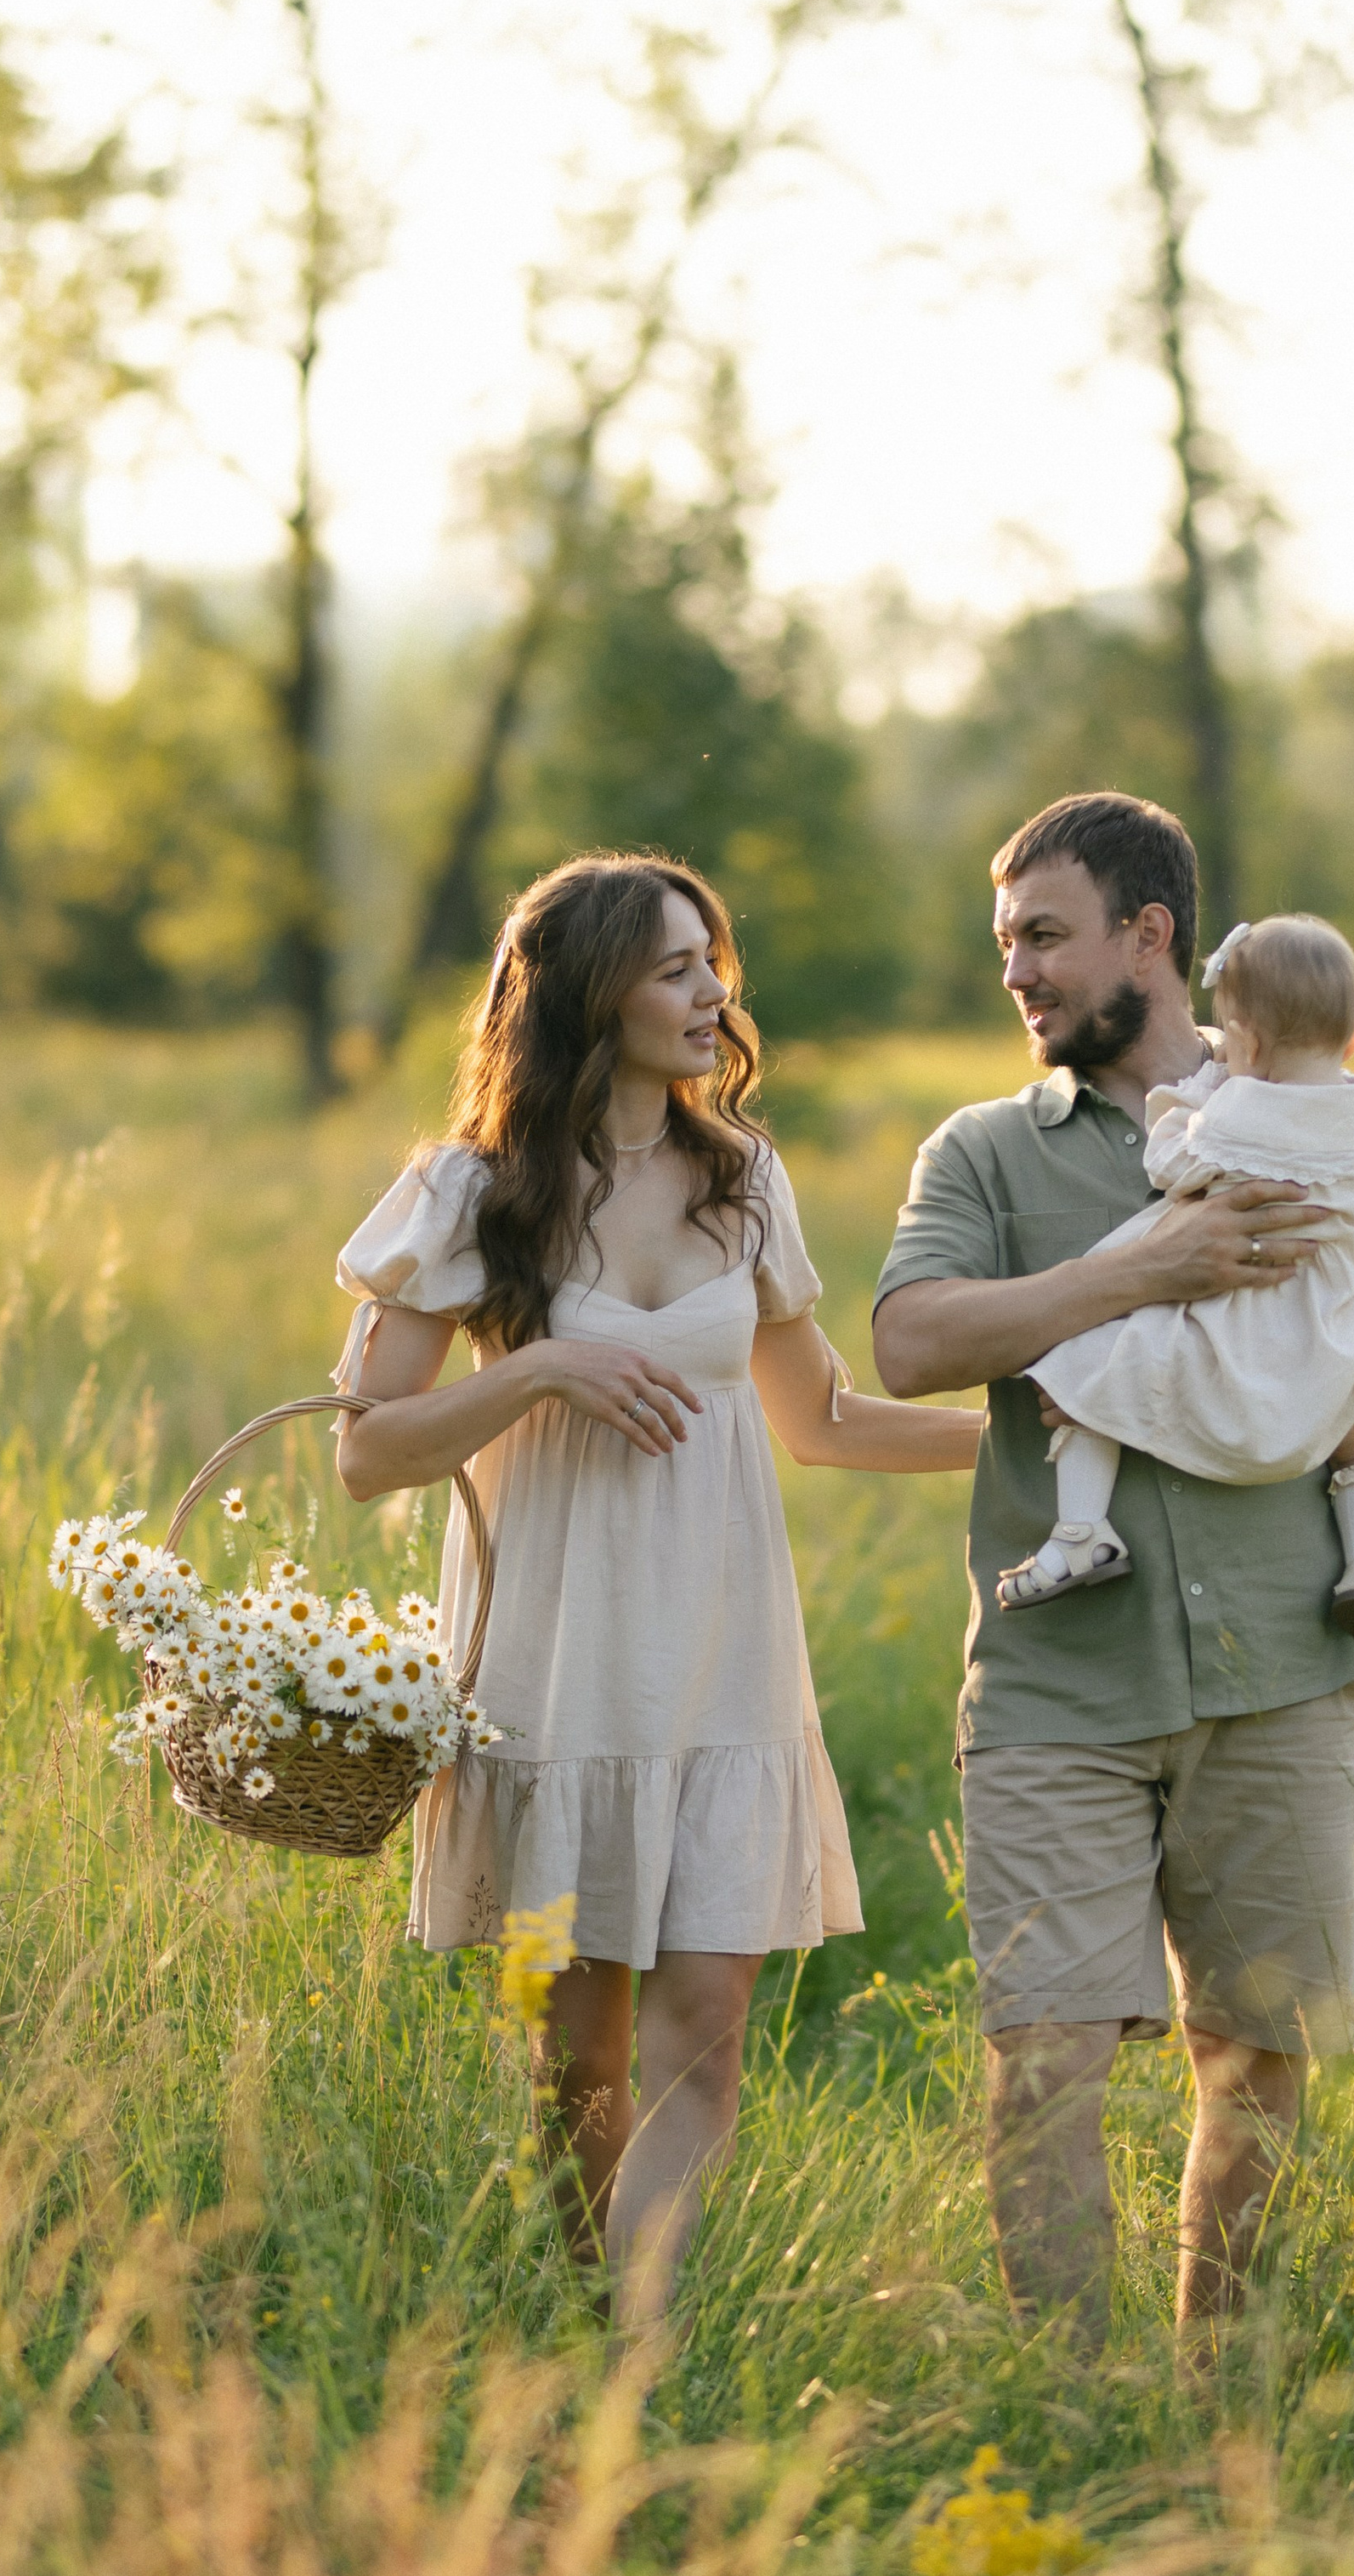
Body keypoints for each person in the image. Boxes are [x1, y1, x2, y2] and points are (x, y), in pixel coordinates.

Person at [333, 853, 982, 2335]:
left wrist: (1032, 1437)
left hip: (720, 1647)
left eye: (715, 963)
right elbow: (365, 1456)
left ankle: (642, 2349)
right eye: (676, 966)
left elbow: (821, 1420)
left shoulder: (744, 1180)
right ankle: (582, 2332)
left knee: (708, 2025)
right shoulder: (468, 1191)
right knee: (581, 2066)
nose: (713, 994)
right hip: (558, 1660)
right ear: (588, 992)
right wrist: (547, 1364)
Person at [870, 793, 1354, 2368]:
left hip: (1287, 1669)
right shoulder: (987, 1153)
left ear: (1152, 935)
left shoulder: (1325, 1112)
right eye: (1006, 944)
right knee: (1042, 2061)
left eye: (1046, 936)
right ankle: (1073, 2413)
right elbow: (916, 1343)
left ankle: (1212, 2404)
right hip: (1063, 1684)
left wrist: (1218, 1355)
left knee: (1254, 2060)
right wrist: (1145, 1276)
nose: (1018, 972)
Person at [998, 910, 1354, 1682]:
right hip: (1330, 1319)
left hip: (1241, 1313)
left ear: (1250, 1047)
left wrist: (1191, 1096)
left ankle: (1081, 1529)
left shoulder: (1235, 1110)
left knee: (1082, 1373)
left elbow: (1174, 1167)